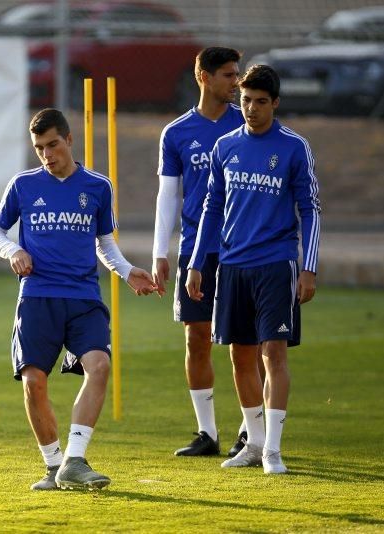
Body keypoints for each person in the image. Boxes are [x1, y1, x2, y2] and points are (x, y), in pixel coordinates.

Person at [0, 108, 157, 490]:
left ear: (69, 140)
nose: (46, 155)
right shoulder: (23, 185)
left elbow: (105, 245)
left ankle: (75, 462)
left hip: (83, 297)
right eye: (38, 148)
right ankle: (53, 466)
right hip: (37, 297)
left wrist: (128, 272)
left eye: (52, 145)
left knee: (99, 366)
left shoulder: (98, 186)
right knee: (33, 382)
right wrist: (12, 251)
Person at [186, 64, 321, 474]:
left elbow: (310, 208)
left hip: (276, 265)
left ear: (275, 103)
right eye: (245, 100)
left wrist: (308, 267)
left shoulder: (295, 147)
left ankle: (274, 451)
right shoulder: (225, 146)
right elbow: (211, 207)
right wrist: (196, 262)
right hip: (231, 266)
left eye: (261, 102)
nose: (251, 108)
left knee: (273, 354)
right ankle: (254, 442)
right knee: (240, 357)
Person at [153, 46, 260, 458]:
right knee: (196, 339)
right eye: (229, 75)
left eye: (238, 75)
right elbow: (168, 195)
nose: (237, 83)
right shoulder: (176, 132)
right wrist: (160, 252)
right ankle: (207, 433)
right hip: (195, 252)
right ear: (204, 77)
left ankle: (251, 432)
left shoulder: (248, 126)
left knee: (245, 345)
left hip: (240, 251)